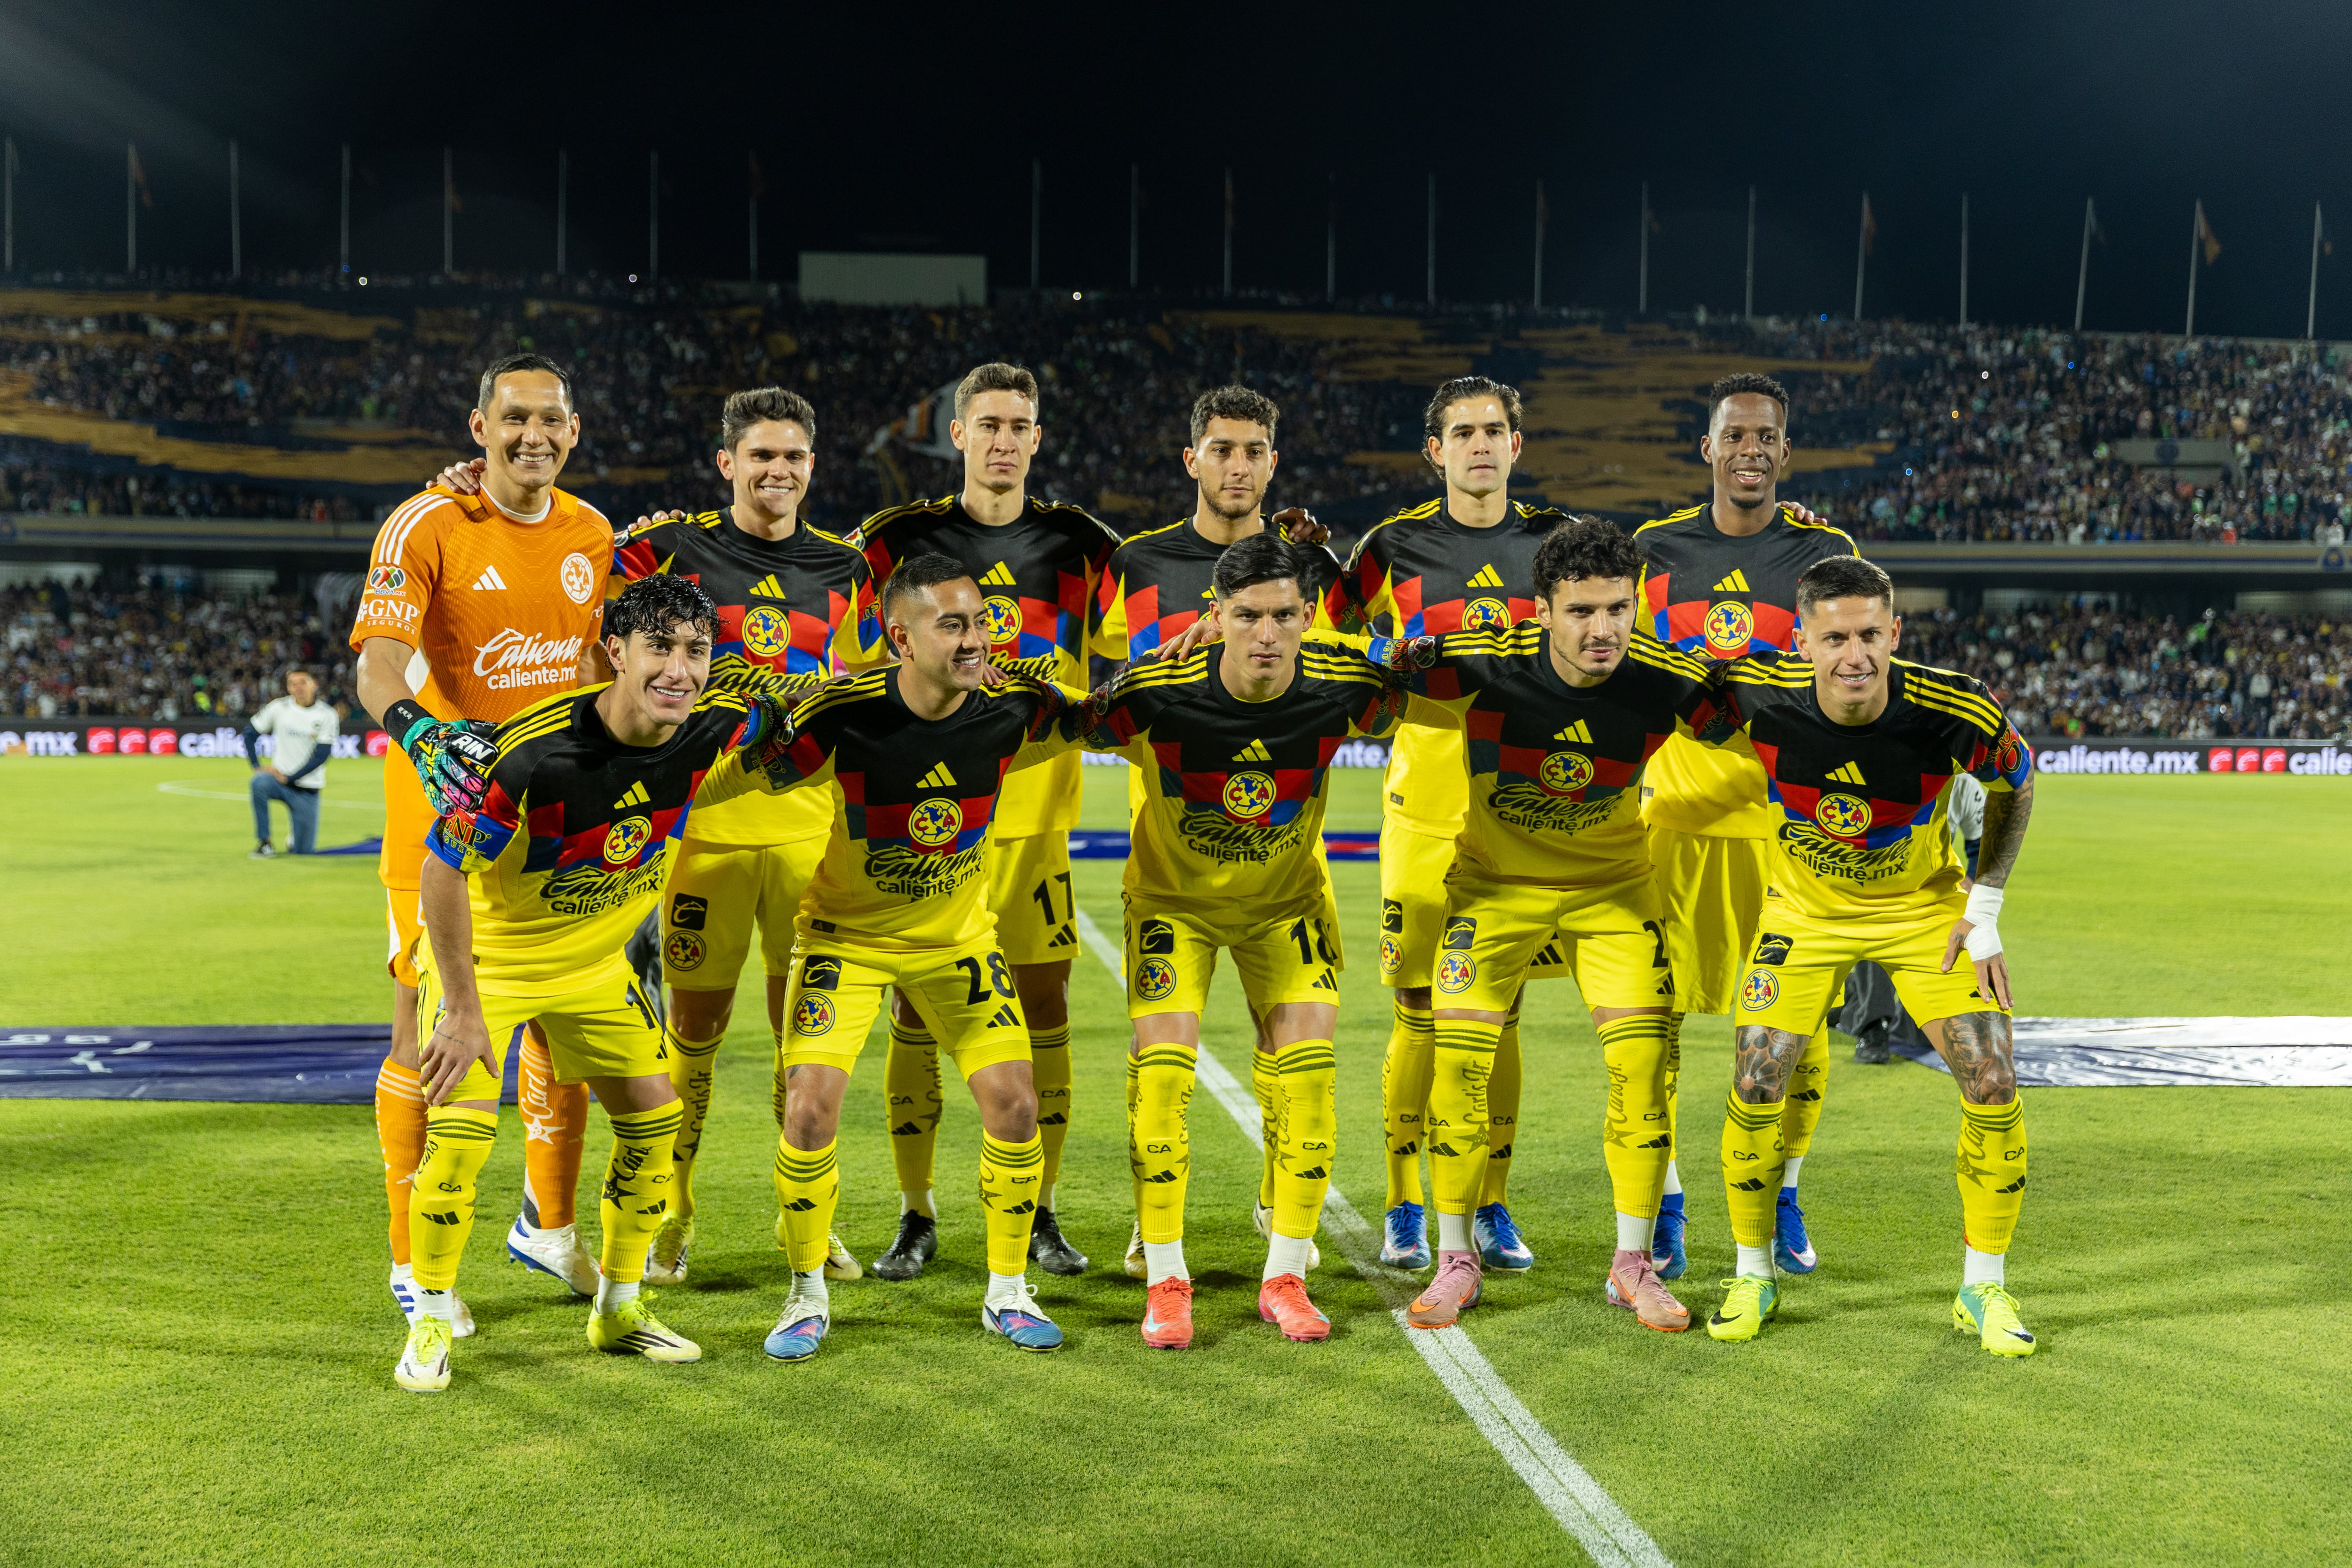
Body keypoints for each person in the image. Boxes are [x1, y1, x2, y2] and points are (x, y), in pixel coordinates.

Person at [395, 574, 787, 1391]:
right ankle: (430, 1314)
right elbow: (440, 871)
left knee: (656, 1116)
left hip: (593, 967)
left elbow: (779, 708)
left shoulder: (713, 726)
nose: (680, 668)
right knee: (463, 1135)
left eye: (695, 649)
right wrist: (462, 1009)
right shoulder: (528, 754)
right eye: (660, 647)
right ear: (615, 651)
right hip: (490, 963)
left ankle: (619, 1306)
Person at [1355, 518, 1728, 1334]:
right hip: (1493, 891)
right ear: (1542, 609)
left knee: (1644, 1067)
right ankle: (1456, 1258)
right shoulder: (1481, 668)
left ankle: (1634, 1264)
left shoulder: (1670, 678)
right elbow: (1361, 686)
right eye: (1582, 611)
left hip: (1616, 896)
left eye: (1619, 609)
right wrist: (1384, 655)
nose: (1603, 629)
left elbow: (1773, 727)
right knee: (1458, 1065)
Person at [1699, 555, 2038, 1355]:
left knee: (1992, 1080)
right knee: (1756, 1078)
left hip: (1924, 911)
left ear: (1896, 632)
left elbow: (2017, 782)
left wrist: (1983, 907)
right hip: (1802, 912)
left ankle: (1982, 1284)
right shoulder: (1754, 693)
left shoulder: (1953, 707)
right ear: (1803, 639)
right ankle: (1754, 1271)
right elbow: (1664, 699)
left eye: (1871, 635)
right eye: (1836, 637)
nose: (1856, 655)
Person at [759, 553, 1089, 1362]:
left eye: (980, 621)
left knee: (1015, 1101)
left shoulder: (1016, 704)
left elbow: (1115, 715)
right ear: (898, 636)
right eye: (955, 625)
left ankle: (1008, 1289)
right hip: (846, 938)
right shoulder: (844, 712)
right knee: (808, 1108)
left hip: (958, 939)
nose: (978, 640)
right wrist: (763, 716)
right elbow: (759, 773)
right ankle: (805, 1294)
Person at [1085, 533, 1397, 1348]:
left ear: (1308, 616)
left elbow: (1433, 672)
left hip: (1284, 907)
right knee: (1160, 1081)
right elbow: (1067, 721)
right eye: (1248, 615)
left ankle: (1285, 1274)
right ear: (1214, 615)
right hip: (1171, 907)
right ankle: (1166, 1280)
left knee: (1312, 1084)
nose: (1267, 633)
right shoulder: (1157, 688)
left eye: (1285, 615)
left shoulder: (1346, 683)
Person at [352, 352, 612, 1335]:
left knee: (562, 1026)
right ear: (478, 426)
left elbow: (598, 665)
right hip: (442, 824)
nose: (532, 434)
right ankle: (416, 1264)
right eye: (514, 418)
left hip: (556, 828)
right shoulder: (426, 522)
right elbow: (379, 660)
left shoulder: (594, 532)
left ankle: (549, 1226)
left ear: (573, 431)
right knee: (426, 1029)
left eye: (550, 419)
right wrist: (416, 726)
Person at [851, 363, 1120, 1282]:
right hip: (921, 825)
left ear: (1038, 438)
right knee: (914, 1015)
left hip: (1033, 830)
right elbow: (854, 654)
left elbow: (1120, 669)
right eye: (989, 423)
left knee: (1044, 1009)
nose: (1005, 439)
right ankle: (915, 1212)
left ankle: (1038, 1210)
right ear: (957, 434)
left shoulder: (1082, 545)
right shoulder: (900, 540)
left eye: (1021, 424)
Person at [1087, 383, 1342, 1279]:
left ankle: (1286, 1202)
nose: (1239, 465)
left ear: (1274, 461)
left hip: (1280, 851)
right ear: (1191, 458)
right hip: (1173, 839)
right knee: (1164, 1057)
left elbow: (1347, 669)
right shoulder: (1138, 563)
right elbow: (1100, 681)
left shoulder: (1309, 569)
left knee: (1291, 1045)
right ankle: (1152, 1230)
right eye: (1222, 448)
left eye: (1255, 450)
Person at [1326, 375, 1568, 1274]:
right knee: (1420, 1013)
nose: (1479, 444)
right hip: (1423, 808)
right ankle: (1404, 1203)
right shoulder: (1391, 546)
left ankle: (1492, 1203)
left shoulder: (1555, 542)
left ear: (1517, 442)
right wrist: (1388, 653)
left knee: (1501, 1016)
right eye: (1461, 431)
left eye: (1494, 429)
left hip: (1519, 812)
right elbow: (1331, 634)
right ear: (1435, 450)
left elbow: (1616, 614)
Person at [1630, 372, 1857, 1281]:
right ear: (1709, 448)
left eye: (1768, 436)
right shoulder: (1652, 551)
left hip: (1785, 828)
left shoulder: (1824, 550)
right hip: (1674, 826)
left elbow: (1854, 667)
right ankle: (1666, 1200)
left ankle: (1783, 1191)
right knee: (1652, 1022)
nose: (1752, 449)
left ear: (1784, 452)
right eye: (1737, 435)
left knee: (1798, 1030)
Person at [243, 668, 339, 858]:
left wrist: (291, 777)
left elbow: (321, 756)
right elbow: (249, 733)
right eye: (292, 684)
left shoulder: (327, 715)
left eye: (303, 682)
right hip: (279, 783)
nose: (297, 688)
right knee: (259, 783)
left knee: (304, 852)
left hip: (307, 788)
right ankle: (265, 843)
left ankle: (295, 838)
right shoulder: (279, 707)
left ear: (315, 685)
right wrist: (257, 766)